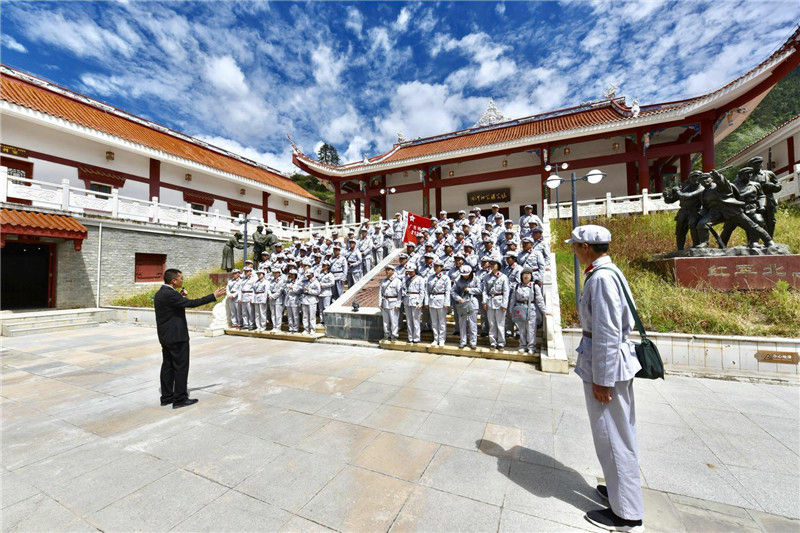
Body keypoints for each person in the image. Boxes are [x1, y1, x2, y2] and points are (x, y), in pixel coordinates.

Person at [567, 224, 644, 532]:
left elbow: (608, 331)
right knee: (617, 434)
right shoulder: (608, 272)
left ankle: (625, 513)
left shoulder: (600, 278)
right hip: (609, 362)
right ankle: (618, 491)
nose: (573, 250)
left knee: (611, 436)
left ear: (586, 247)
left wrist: (603, 379)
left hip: (607, 366)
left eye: (575, 245)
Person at [154, 269, 225, 409]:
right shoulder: (170, 294)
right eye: (180, 278)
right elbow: (191, 303)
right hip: (177, 337)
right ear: (173, 281)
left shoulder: (161, 293)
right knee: (180, 367)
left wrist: (179, 296)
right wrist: (213, 296)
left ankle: (167, 397)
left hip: (165, 337)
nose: (182, 280)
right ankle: (180, 398)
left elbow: (173, 306)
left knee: (168, 366)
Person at [512, 267, 546, 354]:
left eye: (528, 274)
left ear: (531, 276)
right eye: (524, 274)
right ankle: (522, 346)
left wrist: (544, 311)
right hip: (520, 309)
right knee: (521, 329)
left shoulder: (535, 286)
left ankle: (531, 347)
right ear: (521, 276)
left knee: (531, 329)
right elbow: (513, 299)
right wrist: (510, 309)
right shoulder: (517, 286)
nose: (526, 276)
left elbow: (540, 300)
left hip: (531, 309)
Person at [483, 257, 509, 350]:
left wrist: (504, 304)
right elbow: (485, 291)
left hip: (499, 301)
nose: (492, 265)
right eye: (491, 263)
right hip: (490, 300)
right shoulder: (486, 277)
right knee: (492, 323)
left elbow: (506, 291)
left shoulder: (503, 277)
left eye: (494, 263)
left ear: (498, 265)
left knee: (500, 323)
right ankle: (493, 342)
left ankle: (501, 342)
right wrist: (484, 301)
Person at [452, 264, 480, 349]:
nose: (464, 276)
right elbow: (453, 291)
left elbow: (480, 289)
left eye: (466, 275)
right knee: (462, 323)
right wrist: (459, 298)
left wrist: (470, 290)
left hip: (472, 302)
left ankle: (473, 342)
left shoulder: (476, 279)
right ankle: (463, 341)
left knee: (472, 323)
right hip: (462, 303)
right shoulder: (458, 279)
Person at [427, 258, 451, 347]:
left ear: (441, 267)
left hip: (441, 299)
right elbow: (427, 290)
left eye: (437, 266)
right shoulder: (430, 277)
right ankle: (435, 338)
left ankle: (441, 339)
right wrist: (427, 301)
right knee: (434, 322)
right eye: (435, 266)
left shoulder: (445, 278)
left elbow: (448, 291)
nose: (435, 268)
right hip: (432, 300)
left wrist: (446, 303)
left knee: (441, 322)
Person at [379, 265, 404, 341]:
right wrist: (380, 303)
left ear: (393, 271)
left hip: (393, 302)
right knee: (385, 321)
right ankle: (386, 334)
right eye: (386, 270)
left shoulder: (397, 281)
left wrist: (398, 304)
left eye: (389, 270)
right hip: (385, 302)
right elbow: (380, 293)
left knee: (394, 320)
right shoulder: (384, 281)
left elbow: (400, 294)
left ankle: (394, 335)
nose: (387, 271)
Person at [403, 263, 426, 344]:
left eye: (411, 271)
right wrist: (405, 276)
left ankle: (416, 337)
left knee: (416, 320)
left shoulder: (420, 279)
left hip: (415, 300)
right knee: (409, 321)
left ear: (415, 271)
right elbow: (403, 287)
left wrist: (420, 303)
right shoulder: (406, 279)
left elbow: (422, 292)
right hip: (407, 300)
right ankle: (410, 337)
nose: (410, 273)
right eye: (409, 271)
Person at [300, 269, 321, 334]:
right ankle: (306, 329)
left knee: (312, 316)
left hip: (312, 299)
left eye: (309, 275)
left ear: (312, 274)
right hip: (305, 299)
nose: (308, 276)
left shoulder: (316, 282)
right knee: (305, 316)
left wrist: (309, 290)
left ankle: (312, 329)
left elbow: (318, 291)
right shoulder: (305, 281)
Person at [268, 267, 285, 331]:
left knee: (278, 314)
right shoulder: (271, 281)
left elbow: (280, 291)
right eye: (273, 273)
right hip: (271, 297)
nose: (274, 274)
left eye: (276, 273)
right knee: (273, 314)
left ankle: (278, 327)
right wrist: (270, 295)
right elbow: (268, 289)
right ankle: (274, 326)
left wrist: (273, 296)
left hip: (278, 299)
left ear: (279, 273)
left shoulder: (281, 281)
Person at [238, 266, 256, 330]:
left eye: (247, 271)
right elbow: (240, 289)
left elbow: (254, 289)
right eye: (245, 271)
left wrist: (253, 299)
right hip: (243, 296)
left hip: (249, 295)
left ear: (250, 272)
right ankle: (245, 324)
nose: (246, 272)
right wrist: (239, 298)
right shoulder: (243, 280)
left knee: (250, 311)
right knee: (244, 312)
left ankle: (252, 324)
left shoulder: (253, 279)